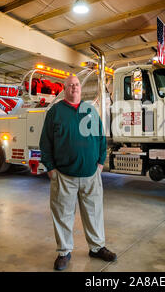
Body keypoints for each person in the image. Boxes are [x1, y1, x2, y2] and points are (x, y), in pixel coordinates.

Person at [40, 74, 116, 271]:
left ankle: (97, 247)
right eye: (70, 85)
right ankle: (64, 252)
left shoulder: (90, 110)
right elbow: (45, 143)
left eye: (76, 85)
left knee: (94, 213)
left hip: (91, 175)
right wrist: (51, 169)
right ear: (65, 89)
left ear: (80, 89)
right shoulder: (55, 112)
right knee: (63, 215)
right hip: (64, 176)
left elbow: (101, 138)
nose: (74, 87)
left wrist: (100, 164)